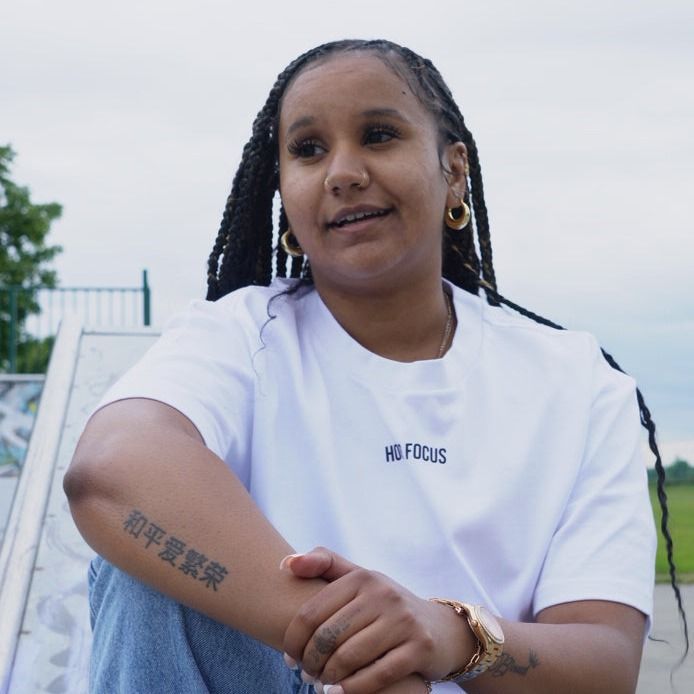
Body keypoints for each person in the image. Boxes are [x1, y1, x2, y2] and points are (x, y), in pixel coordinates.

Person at [64, 39, 687, 694]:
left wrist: (447, 634)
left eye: (379, 135)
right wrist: (363, 657)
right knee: (147, 563)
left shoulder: (577, 382)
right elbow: (110, 473)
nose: (342, 171)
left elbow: (604, 665)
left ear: (454, 171)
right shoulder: (238, 334)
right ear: (283, 193)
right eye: (308, 150)